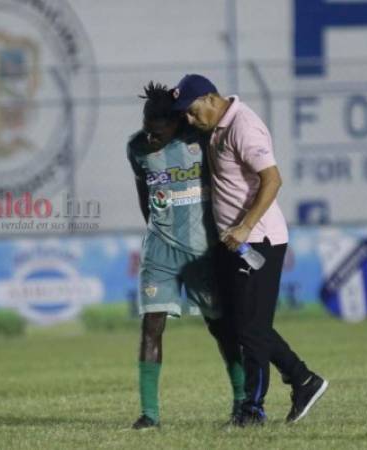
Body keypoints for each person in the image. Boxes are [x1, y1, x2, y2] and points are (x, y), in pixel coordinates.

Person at [171, 74, 328, 426]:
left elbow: (273, 180)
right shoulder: (214, 126)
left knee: (252, 330)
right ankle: (303, 380)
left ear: (211, 98)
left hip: (257, 240)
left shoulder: (244, 126)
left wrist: (244, 226)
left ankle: (252, 411)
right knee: (241, 324)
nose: (191, 121)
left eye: (193, 112)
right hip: (233, 242)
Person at [126, 82, 245, 429]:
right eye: (147, 130)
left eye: (158, 133)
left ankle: (242, 404)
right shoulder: (135, 148)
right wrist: (155, 229)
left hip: (202, 252)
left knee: (221, 329)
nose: (151, 138)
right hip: (160, 252)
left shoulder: (200, 138)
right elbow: (143, 194)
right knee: (151, 327)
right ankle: (149, 415)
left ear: (176, 124)